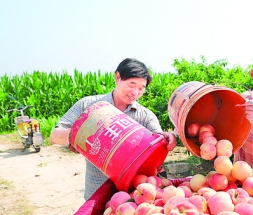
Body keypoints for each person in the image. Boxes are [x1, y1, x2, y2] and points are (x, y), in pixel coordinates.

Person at [50, 58, 177, 200]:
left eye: (141, 88)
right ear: (117, 77)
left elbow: (157, 137)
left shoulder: (145, 116)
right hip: (95, 191)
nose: (135, 92)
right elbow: (55, 134)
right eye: (132, 84)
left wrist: (167, 137)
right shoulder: (90, 105)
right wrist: (78, 135)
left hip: (133, 196)